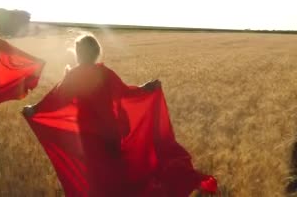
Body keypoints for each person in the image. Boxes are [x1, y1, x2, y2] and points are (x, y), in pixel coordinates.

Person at [23, 34, 217, 196]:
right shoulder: (104, 73)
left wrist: (36, 109)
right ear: (95, 52)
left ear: (80, 53)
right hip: (110, 133)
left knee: (98, 176)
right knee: (116, 171)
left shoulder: (75, 75)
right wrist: (146, 88)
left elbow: (58, 98)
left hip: (89, 136)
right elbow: (126, 93)